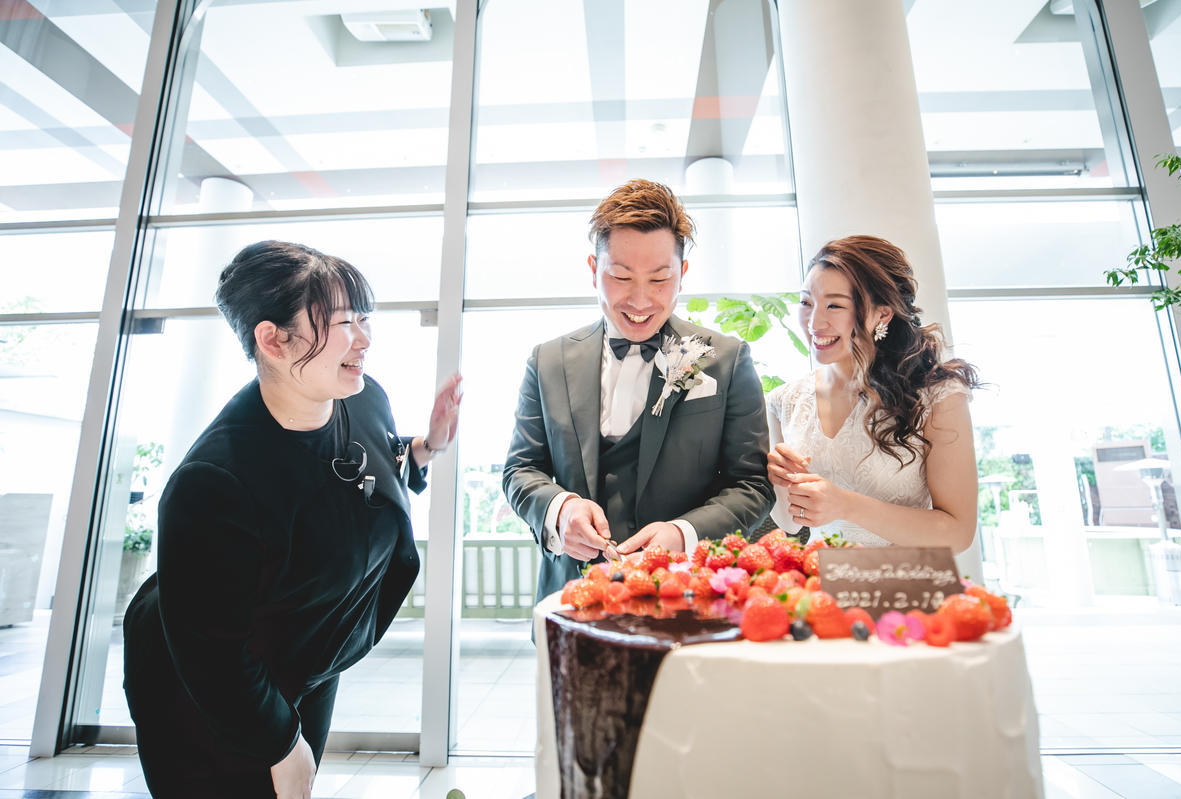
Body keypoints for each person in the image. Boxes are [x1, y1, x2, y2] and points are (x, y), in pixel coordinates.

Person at [123, 241, 462, 799]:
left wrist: (427, 447)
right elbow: (214, 656)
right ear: (274, 340)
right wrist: (280, 744)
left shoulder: (362, 398)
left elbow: (367, 465)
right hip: (208, 693)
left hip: (309, 658)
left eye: (364, 319)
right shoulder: (214, 482)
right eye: (344, 323)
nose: (364, 338)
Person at [503, 179, 775, 603]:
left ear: (682, 275)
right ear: (594, 269)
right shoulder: (548, 361)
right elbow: (521, 469)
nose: (641, 300)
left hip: (686, 596)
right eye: (621, 276)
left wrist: (683, 534)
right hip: (572, 595)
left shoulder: (726, 359)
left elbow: (752, 483)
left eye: (660, 278)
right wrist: (560, 510)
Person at [767, 235, 980, 553]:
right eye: (806, 303)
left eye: (834, 305)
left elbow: (958, 533)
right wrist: (781, 481)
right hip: (820, 580)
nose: (814, 322)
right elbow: (790, 522)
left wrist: (846, 505)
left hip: (904, 582)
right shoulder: (783, 400)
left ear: (882, 314)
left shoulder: (937, 395)